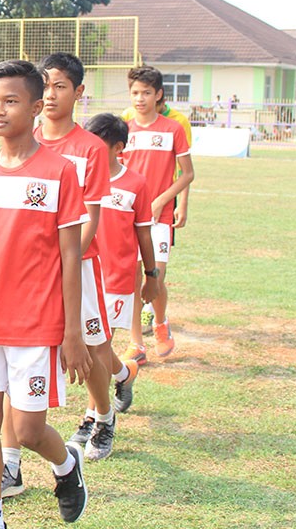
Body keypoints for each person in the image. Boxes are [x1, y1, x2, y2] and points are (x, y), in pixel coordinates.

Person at [0, 59, 91, 528]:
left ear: (34, 106)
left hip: (35, 326)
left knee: (27, 431)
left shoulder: (60, 172)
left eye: (10, 101)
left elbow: (71, 257)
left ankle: (66, 465)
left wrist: (72, 333)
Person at [0, 52, 112, 502]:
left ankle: (102, 417)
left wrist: (58, 264)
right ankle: (10, 466)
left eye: (61, 85)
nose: (52, 94)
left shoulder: (89, 150)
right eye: (47, 85)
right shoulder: (22, 139)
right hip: (25, 276)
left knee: (92, 348)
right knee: (9, 362)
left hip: (75, 265)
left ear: (77, 92)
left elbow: (90, 221)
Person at [84, 113, 160, 415]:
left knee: (99, 349)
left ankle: (94, 418)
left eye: (97, 144)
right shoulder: (78, 178)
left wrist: (151, 275)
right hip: (83, 275)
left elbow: (144, 233)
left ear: (118, 148)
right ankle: (125, 374)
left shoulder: (135, 184)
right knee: (95, 347)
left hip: (116, 280)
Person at [120, 66, 194, 366]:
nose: (140, 99)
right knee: (133, 278)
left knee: (155, 277)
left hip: (159, 217)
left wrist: (164, 199)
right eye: (135, 93)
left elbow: (188, 174)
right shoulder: (123, 128)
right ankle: (136, 343)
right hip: (128, 215)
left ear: (159, 95)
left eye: (146, 93)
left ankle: (161, 322)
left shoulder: (173, 128)